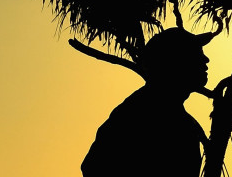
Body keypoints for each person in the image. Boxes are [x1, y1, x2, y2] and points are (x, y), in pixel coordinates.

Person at [81, 28, 211, 177]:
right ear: (173, 62)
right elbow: (94, 167)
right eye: (195, 53)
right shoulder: (137, 113)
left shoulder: (175, 117)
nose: (205, 59)